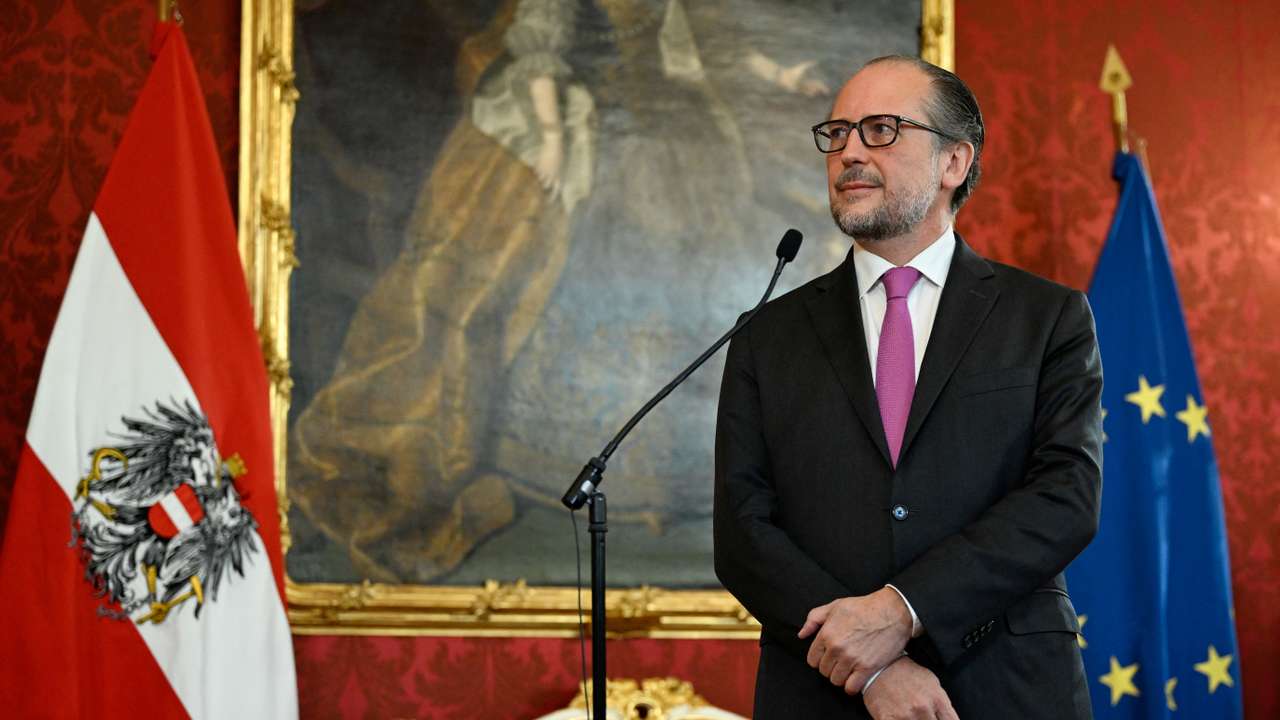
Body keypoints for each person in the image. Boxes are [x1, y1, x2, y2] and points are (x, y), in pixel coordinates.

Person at [713, 55, 1102, 719]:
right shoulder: (766, 334)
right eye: (836, 133)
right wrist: (871, 669)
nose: (849, 152)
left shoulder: (1046, 318)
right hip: (821, 691)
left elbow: (1065, 497)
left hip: (1005, 685)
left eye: (881, 130)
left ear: (954, 162)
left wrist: (903, 611)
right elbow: (743, 533)